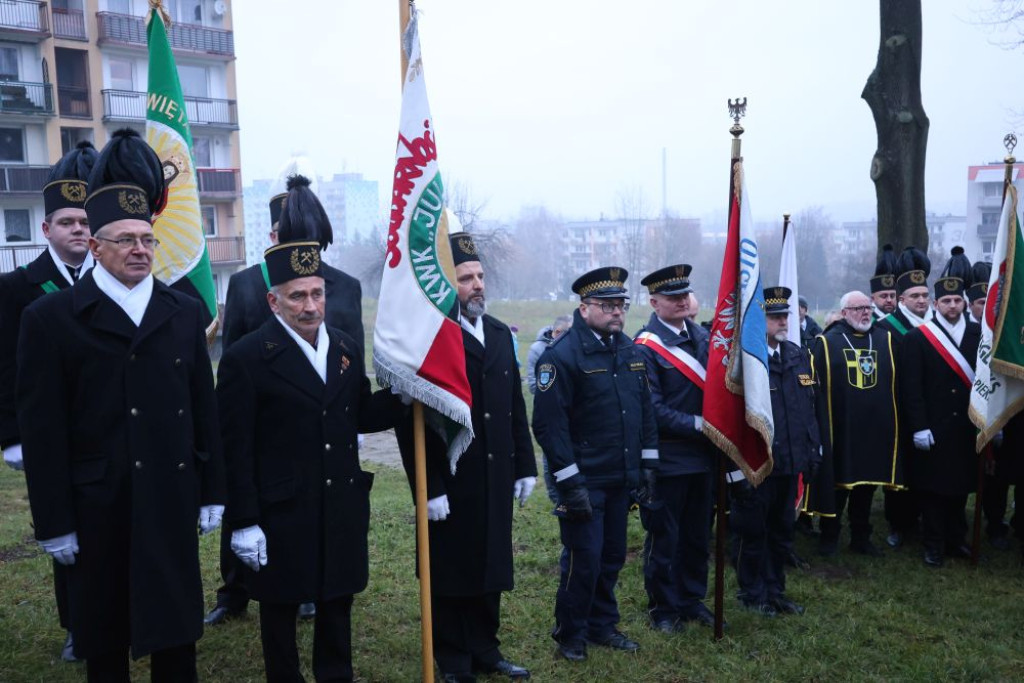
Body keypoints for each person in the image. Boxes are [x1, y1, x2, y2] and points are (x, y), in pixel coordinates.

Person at [17, 128, 225, 680]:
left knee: (177, 637)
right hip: (97, 506)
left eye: (146, 239)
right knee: (106, 644)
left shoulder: (181, 312)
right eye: (125, 239)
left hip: (169, 498)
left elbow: (203, 409)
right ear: (96, 246)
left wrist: (213, 492)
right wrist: (55, 522)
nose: (139, 249)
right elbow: (44, 432)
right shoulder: (51, 320)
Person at [217, 236, 394, 682]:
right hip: (281, 510)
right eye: (297, 296)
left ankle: (335, 676)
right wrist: (243, 520)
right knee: (280, 609)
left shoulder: (346, 349)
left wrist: (407, 394)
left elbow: (359, 413)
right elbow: (233, 448)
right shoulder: (246, 358)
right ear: (273, 301)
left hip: (338, 501)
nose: (310, 306)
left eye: (317, 293)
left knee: (337, 600)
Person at [207, 174, 364, 627]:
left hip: (319, 427)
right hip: (259, 421)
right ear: (273, 237)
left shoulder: (345, 287)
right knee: (246, 496)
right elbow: (233, 354)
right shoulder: (246, 285)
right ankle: (234, 588)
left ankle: (312, 585)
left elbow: (350, 356)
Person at [394, 232, 536, 682]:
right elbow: (409, 423)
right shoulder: (432, 340)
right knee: (452, 568)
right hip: (451, 479)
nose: (476, 285)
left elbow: (512, 403)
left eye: (479, 276)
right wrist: (429, 488)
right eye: (465, 278)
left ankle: (485, 648)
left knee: (492, 563)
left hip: (495, 472)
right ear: (446, 284)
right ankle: (454, 657)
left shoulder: (497, 332)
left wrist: (525, 465)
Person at [0, 140, 98, 662]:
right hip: (48, 431)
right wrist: (11, 435)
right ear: (46, 230)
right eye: (67, 223)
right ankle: (77, 626)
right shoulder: (17, 287)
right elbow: (5, 369)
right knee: (66, 529)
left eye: (85, 222)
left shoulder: (113, 281)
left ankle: (117, 615)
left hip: (101, 427)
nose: (79, 231)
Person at [532, 266, 659, 663]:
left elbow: (645, 412)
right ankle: (570, 632)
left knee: (612, 556)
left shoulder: (629, 351)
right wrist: (570, 483)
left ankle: (602, 624)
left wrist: (648, 463)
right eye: (607, 306)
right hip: (584, 478)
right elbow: (549, 427)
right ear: (584, 309)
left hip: (620, 476)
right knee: (583, 559)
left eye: (621, 305)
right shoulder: (561, 356)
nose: (617, 312)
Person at [633, 264, 716, 631]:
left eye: (685, 294)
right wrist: (700, 425)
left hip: (704, 458)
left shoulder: (701, 336)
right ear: (654, 302)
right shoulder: (646, 347)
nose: (682, 301)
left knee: (697, 535)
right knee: (666, 538)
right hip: (669, 458)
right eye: (673, 297)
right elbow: (653, 410)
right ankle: (663, 608)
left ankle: (691, 598)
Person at [729, 287, 820, 617]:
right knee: (753, 533)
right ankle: (751, 593)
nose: (784, 321)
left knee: (782, 533)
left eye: (785, 315)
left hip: (790, 461)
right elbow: (734, 420)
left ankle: (775, 590)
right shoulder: (745, 362)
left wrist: (812, 451)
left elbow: (808, 409)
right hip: (758, 464)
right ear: (758, 320)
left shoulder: (796, 354)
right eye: (775, 316)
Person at [899, 250, 980, 567]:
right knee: (933, 490)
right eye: (945, 301)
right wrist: (918, 426)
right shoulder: (918, 338)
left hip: (966, 426)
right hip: (933, 427)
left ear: (963, 303)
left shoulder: (977, 335)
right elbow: (911, 388)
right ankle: (933, 544)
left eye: (957, 301)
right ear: (936, 304)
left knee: (960, 488)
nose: (952, 306)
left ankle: (956, 540)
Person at [806, 290, 901, 557]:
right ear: (845, 312)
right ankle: (829, 535)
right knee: (838, 486)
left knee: (867, 486)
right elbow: (811, 385)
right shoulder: (827, 342)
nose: (866, 313)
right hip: (840, 429)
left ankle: (861, 536)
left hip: (873, 429)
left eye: (868, 308)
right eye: (858, 308)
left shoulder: (885, 340)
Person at [875, 246, 931, 549]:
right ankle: (898, 523)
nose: (921, 301)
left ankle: (925, 518)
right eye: (915, 296)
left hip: (930, 410)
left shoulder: (938, 324)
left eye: (924, 296)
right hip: (897, 410)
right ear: (901, 299)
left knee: (929, 470)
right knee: (900, 470)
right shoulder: (885, 328)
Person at [527, 314, 572, 505]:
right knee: (551, 454)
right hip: (550, 412)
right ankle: (555, 497)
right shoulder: (538, 350)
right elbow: (532, 385)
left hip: (573, 411)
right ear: (558, 332)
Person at [526, 315, 571, 395]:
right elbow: (533, 385)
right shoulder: (536, 349)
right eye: (570, 334)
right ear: (558, 332)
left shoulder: (573, 347)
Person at [869, 244, 898, 323]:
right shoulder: (866, 322)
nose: (889, 300)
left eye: (892, 296)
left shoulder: (903, 321)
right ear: (872, 298)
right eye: (883, 296)